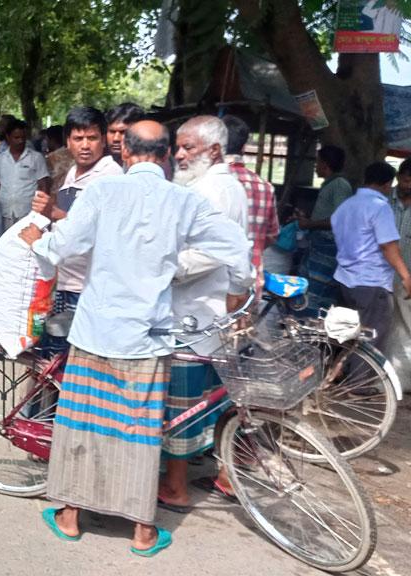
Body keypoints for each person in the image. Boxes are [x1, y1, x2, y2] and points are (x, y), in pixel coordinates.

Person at [18, 120, 250, 557]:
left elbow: (63, 246)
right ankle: (142, 531)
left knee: (82, 422)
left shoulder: (103, 194)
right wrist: (238, 286)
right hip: (147, 336)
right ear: (165, 155)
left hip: (96, 331)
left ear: (125, 153)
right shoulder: (184, 201)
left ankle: (69, 516)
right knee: (139, 429)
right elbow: (235, 246)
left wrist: (38, 242)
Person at [160, 115, 252, 511]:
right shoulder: (225, 185)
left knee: (183, 402)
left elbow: (210, 253)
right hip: (215, 312)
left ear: (213, 150)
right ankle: (226, 473)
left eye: (188, 147)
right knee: (217, 398)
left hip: (195, 313)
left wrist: (162, 268)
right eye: (178, 147)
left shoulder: (212, 190)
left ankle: (177, 486)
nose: (179, 155)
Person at [33, 107, 122, 313]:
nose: (85, 145)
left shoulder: (111, 177)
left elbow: (106, 231)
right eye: (78, 138)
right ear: (68, 142)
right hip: (65, 278)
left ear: (103, 140)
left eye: (92, 138)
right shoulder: (73, 171)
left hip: (89, 285)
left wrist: (55, 213)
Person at [332, 162, 411, 348]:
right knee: (369, 341)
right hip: (372, 284)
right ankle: (360, 377)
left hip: (345, 281)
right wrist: (406, 276)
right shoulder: (380, 207)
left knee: (346, 336)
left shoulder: (346, 206)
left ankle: (339, 374)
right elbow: (388, 246)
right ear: (388, 183)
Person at [223, 115, 279, 286]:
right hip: (250, 281)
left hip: (212, 285)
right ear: (244, 147)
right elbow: (272, 235)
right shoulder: (265, 187)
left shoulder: (206, 182)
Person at [298, 145, 353, 310]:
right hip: (318, 244)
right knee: (309, 289)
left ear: (325, 164)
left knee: (317, 293)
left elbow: (340, 220)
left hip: (328, 248)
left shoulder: (340, 185)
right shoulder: (331, 185)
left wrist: (310, 224)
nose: (315, 166)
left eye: (317, 162)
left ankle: (313, 328)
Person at [0, 119, 50, 232]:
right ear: (8, 137)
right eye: (16, 138)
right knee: (8, 246)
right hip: (6, 214)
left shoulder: (36, 158)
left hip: (30, 215)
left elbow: (44, 187)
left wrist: (41, 214)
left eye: (23, 138)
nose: (20, 141)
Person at [44, 125, 73, 196]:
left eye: (47, 139)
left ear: (52, 140)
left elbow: (47, 181)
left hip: (56, 194)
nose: (46, 142)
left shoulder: (51, 158)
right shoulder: (73, 153)